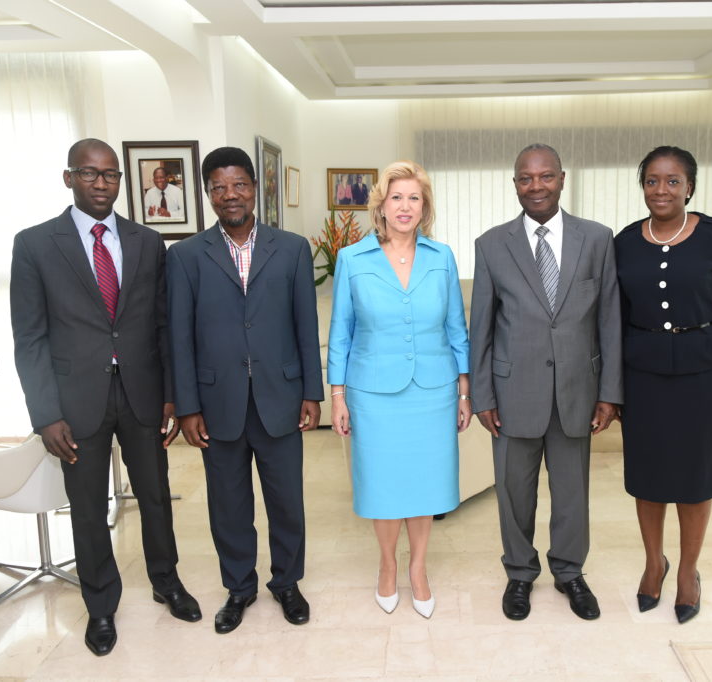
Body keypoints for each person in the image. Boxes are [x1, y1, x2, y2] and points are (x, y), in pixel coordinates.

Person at [10, 138, 200, 657]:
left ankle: (167, 581)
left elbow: (161, 324)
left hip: (141, 394)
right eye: (89, 174)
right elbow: (29, 338)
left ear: (121, 181)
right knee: (89, 508)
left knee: (155, 497)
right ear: (68, 178)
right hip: (75, 402)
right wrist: (45, 414)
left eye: (111, 175)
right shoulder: (34, 245)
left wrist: (168, 396)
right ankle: (100, 605)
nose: (101, 183)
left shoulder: (145, 241)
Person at [166, 146, 322, 634]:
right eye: (219, 187)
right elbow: (180, 336)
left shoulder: (292, 248)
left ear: (254, 189)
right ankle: (239, 588)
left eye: (239, 186)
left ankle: (287, 583)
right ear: (208, 193)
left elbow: (304, 323)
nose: (229, 195)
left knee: (286, 501)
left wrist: (311, 392)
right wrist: (188, 405)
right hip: (217, 404)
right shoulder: (187, 256)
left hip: (280, 396)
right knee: (228, 504)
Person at [469, 143, 623, 622]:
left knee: (573, 492)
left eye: (545, 176)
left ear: (562, 178)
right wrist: (482, 395)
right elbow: (483, 327)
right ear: (515, 183)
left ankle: (570, 571)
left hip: (578, 391)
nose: (535, 186)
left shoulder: (597, 239)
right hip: (513, 392)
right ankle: (519, 573)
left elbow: (610, 319)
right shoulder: (491, 244)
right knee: (514, 492)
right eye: (524, 178)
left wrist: (610, 393)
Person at [328, 161, 471, 619]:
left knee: (426, 484)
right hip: (373, 395)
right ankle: (388, 566)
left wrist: (464, 391)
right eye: (396, 197)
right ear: (381, 206)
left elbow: (456, 326)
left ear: (423, 205)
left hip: (434, 390)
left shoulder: (441, 256)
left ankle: (419, 569)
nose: (405, 206)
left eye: (414, 197)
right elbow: (341, 333)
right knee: (385, 484)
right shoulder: (353, 258)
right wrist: (338, 396)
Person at [614, 145, 712, 624]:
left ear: (690, 186)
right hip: (643, 377)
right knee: (648, 480)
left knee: (696, 482)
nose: (662, 190)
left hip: (704, 377)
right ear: (643, 186)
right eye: (652, 180)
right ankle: (655, 564)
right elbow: (616, 320)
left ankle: (688, 572)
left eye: (673, 181)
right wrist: (611, 388)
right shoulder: (626, 242)